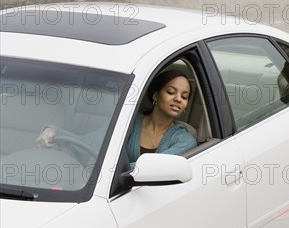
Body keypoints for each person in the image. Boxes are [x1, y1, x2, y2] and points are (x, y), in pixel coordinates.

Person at [37, 70, 197, 166]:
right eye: (171, 92)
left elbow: (153, 168)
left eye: (184, 96)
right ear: (155, 95)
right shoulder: (129, 122)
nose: (178, 99)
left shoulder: (185, 140)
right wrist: (55, 133)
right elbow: (90, 143)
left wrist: (113, 173)